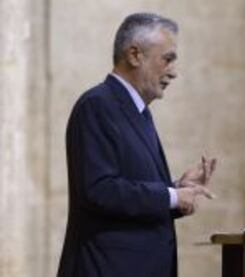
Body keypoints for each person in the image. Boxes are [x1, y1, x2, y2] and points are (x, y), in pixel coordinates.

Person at [57, 13, 217, 277]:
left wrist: (177, 190)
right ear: (134, 55)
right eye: (167, 59)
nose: (174, 72)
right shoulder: (97, 105)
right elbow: (99, 190)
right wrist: (172, 196)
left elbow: (130, 192)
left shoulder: (138, 111)